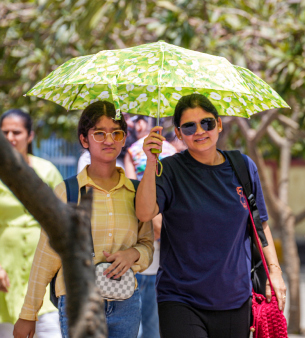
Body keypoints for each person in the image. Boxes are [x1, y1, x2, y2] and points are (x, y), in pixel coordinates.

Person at [135, 94, 286, 338]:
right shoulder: (171, 169)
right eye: (189, 126)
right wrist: (152, 161)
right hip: (180, 298)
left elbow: (260, 225)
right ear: (178, 132)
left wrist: (275, 273)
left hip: (235, 298)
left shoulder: (243, 167)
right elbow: (144, 212)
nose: (199, 131)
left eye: (206, 122)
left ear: (219, 124)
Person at [13, 101, 154, 338]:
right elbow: (46, 256)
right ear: (84, 140)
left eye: (115, 133)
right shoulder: (67, 192)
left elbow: (148, 245)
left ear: (123, 138)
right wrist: (29, 313)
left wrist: (134, 254)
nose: (108, 140)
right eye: (99, 133)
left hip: (126, 304)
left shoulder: (138, 192)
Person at [0, 109, 63, 338]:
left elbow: (62, 222)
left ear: (30, 136)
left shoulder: (47, 171)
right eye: (4, 132)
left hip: (45, 278)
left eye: (16, 132)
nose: (10, 138)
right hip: (5, 281)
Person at [124, 115, 177, 338]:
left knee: (134, 326)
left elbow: (130, 195)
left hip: (138, 254)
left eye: (139, 119)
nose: (136, 124)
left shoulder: (133, 151)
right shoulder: (175, 152)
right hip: (166, 255)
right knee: (156, 327)